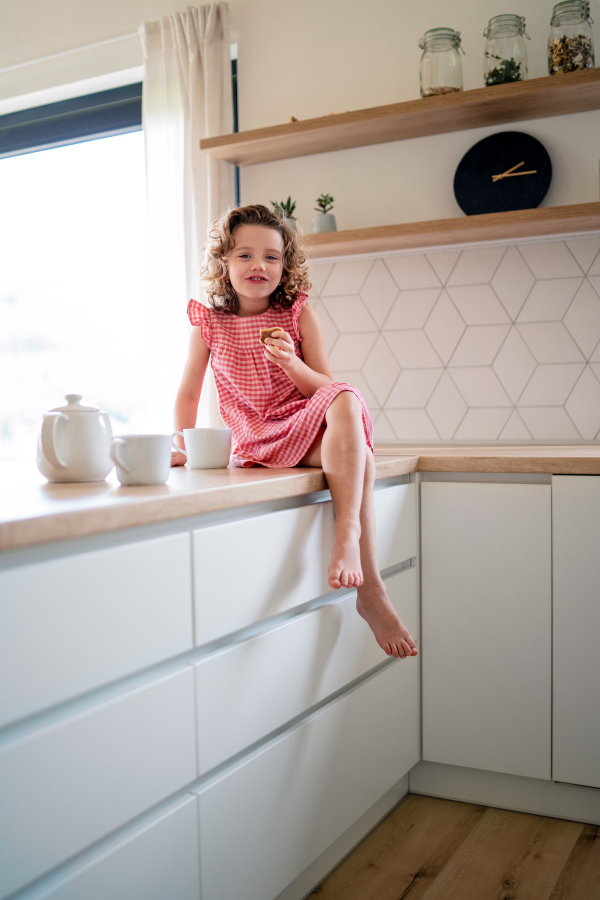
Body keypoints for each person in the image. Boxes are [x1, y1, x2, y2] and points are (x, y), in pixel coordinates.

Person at [172, 204, 418, 660]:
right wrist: (181, 446)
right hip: (255, 439)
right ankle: (372, 587)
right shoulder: (210, 324)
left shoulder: (298, 315)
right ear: (223, 264)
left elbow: (327, 388)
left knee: (347, 397)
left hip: (302, 427)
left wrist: (291, 363)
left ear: (285, 266)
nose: (258, 265)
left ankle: (347, 536)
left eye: (271, 256)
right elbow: (188, 394)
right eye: (244, 255)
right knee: (359, 453)